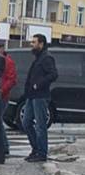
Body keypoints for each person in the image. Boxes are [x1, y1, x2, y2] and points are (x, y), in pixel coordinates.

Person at [22, 34, 58, 162]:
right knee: (26, 122)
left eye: (34, 42)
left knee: (40, 125)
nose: (32, 44)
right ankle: (36, 148)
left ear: (41, 44)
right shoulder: (38, 58)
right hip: (32, 96)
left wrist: (39, 84)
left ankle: (42, 153)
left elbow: (53, 74)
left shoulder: (47, 58)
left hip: (41, 96)